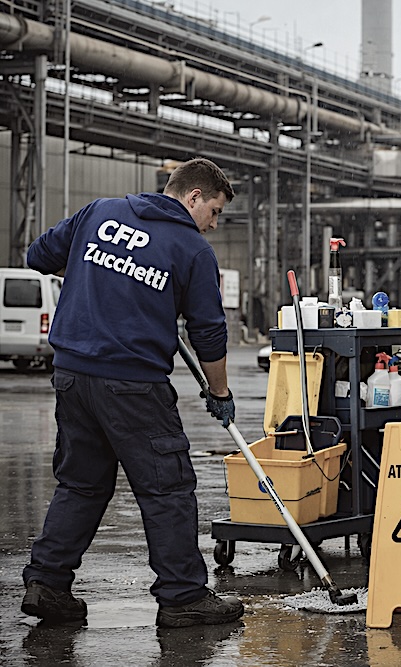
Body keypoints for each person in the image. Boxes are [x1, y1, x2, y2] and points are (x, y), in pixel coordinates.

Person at [21, 158, 244, 628]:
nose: (214, 224)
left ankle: (47, 584)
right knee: (167, 487)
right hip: (133, 385)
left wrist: (98, 265)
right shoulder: (192, 249)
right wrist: (219, 392)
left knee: (82, 483)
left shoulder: (98, 213)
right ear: (193, 197)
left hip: (72, 375)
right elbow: (208, 332)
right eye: (215, 211)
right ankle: (183, 597)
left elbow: (37, 256)